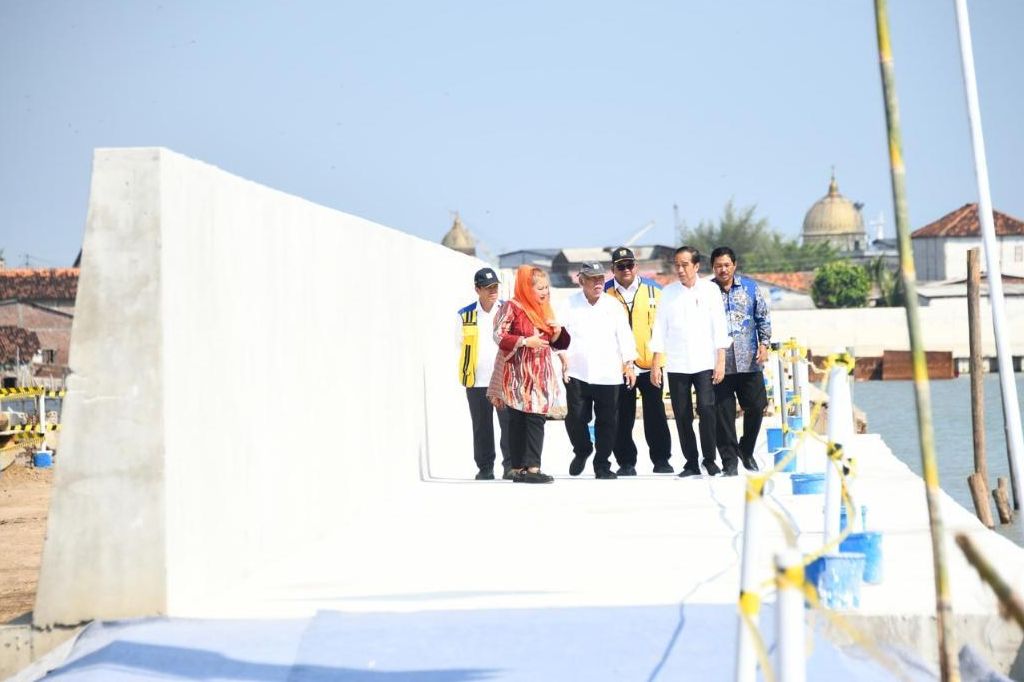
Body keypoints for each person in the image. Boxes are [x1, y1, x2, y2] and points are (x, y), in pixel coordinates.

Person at [649, 246, 732, 478]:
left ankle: (709, 458)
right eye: (677, 264)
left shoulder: (710, 290)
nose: (680, 269)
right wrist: (656, 362)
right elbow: (660, 329)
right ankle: (691, 462)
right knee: (682, 414)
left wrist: (721, 360)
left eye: (685, 264)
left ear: (696, 266)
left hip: (705, 361)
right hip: (677, 364)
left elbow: (719, 325)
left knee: (707, 409)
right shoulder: (668, 293)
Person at [488, 266, 570, 484]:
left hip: (539, 374)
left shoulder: (544, 309)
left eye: (546, 287)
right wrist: (525, 341)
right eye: (540, 288)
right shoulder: (512, 307)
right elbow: (498, 335)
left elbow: (558, 343)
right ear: (527, 287)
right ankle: (519, 469)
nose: (545, 292)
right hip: (516, 374)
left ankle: (532, 467)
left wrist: (559, 331)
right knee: (517, 420)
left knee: (536, 418)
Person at [558, 261, 637, 480]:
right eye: (592, 279)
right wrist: (562, 357)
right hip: (577, 372)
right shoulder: (568, 305)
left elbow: (625, 337)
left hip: (608, 374)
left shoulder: (613, 306)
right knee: (575, 418)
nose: (598, 283)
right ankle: (582, 449)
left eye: (601, 278)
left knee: (608, 422)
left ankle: (602, 464)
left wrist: (629, 364)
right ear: (581, 280)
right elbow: (559, 336)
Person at [603, 246, 674, 475]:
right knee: (622, 416)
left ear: (636, 266)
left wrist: (657, 363)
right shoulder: (605, 293)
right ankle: (626, 462)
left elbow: (662, 330)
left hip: (649, 364)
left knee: (655, 415)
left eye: (629, 265)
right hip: (621, 367)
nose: (626, 270)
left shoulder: (654, 291)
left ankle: (661, 460)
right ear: (613, 269)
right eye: (620, 266)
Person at [710, 246, 772, 474]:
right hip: (719, 364)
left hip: (749, 361)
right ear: (712, 268)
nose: (723, 270)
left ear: (734, 266)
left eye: (727, 265)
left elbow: (762, 317)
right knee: (722, 416)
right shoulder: (706, 292)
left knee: (757, 406)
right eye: (718, 266)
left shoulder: (750, 288)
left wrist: (764, 345)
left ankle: (746, 449)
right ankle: (729, 462)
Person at [457, 267, 512, 480]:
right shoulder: (465, 314)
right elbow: (459, 343)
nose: (493, 291)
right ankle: (485, 467)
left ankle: (510, 466)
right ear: (477, 289)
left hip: (503, 379)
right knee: (481, 426)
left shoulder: (507, 310)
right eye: (488, 288)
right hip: (477, 379)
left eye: (495, 287)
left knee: (508, 424)